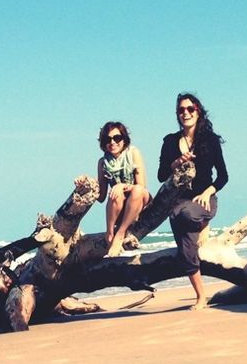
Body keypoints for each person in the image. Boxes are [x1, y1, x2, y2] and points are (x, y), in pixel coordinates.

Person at [157, 92, 228, 311]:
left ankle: (203, 224)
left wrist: (208, 192)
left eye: (190, 109)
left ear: (198, 111)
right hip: (178, 203)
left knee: (187, 214)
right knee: (186, 249)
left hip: (204, 201)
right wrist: (176, 162)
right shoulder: (169, 142)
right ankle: (201, 297)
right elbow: (161, 176)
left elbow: (223, 176)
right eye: (181, 110)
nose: (185, 113)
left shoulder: (210, 140)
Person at [96, 120, 151, 258]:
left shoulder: (133, 153)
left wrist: (121, 186)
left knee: (136, 190)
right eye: (108, 139)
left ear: (124, 139)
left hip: (139, 200)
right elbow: (101, 197)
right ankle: (110, 233)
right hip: (119, 205)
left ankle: (120, 234)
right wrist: (86, 185)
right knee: (117, 194)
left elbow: (142, 185)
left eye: (117, 138)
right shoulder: (103, 162)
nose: (112, 142)